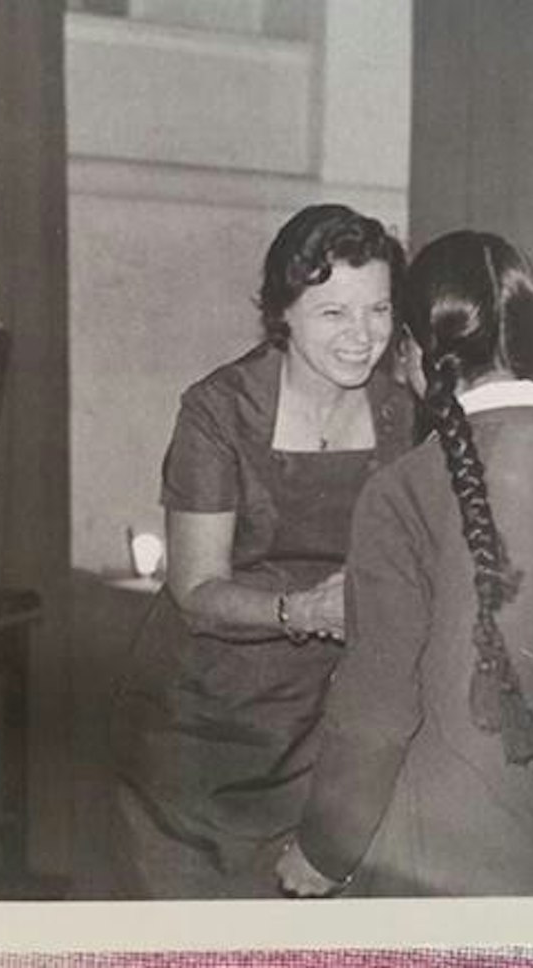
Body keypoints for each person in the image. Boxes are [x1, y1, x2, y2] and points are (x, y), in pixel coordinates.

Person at [276, 231, 533, 897]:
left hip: (447, 856)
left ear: (416, 352)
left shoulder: (403, 491)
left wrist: (323, 848)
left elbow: (376, 711)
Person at [108, 203, 414, 898]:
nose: (362, 337)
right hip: (205, 734)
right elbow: (196, 588)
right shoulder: (220, 410)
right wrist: (303, 609)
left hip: (327, 733)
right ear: (284, 312)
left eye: (379, 311)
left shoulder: (402, 413)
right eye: (335, 313)